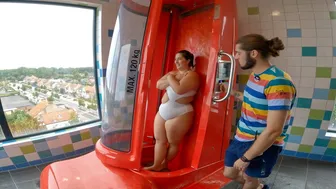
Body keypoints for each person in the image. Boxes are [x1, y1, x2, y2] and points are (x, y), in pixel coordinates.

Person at [221, 34, 296, 189]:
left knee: (249, 178)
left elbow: (274, 130)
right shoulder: (256, 75)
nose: (235, 56)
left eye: (238, 52)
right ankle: (258, 186)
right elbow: (254, 102)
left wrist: (246, 157)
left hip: (261, 142)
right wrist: (232, 92)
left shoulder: (278, 82)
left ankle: (254, 184)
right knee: (229, 173)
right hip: (242, 137)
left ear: (253, 53)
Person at [144, 50, 200, 172]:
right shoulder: (174, 73)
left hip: (181, 112)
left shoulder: (192, 75)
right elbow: (158, 84)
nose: (176, 62)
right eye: (175, 60)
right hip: (163, 110)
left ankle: (164, 164)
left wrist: (169, 78)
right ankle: (156, 164)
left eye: (179, 59)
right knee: (159, 140)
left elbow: (178, 90)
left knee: (173, 143)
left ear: (188, 60)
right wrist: (172, 78)